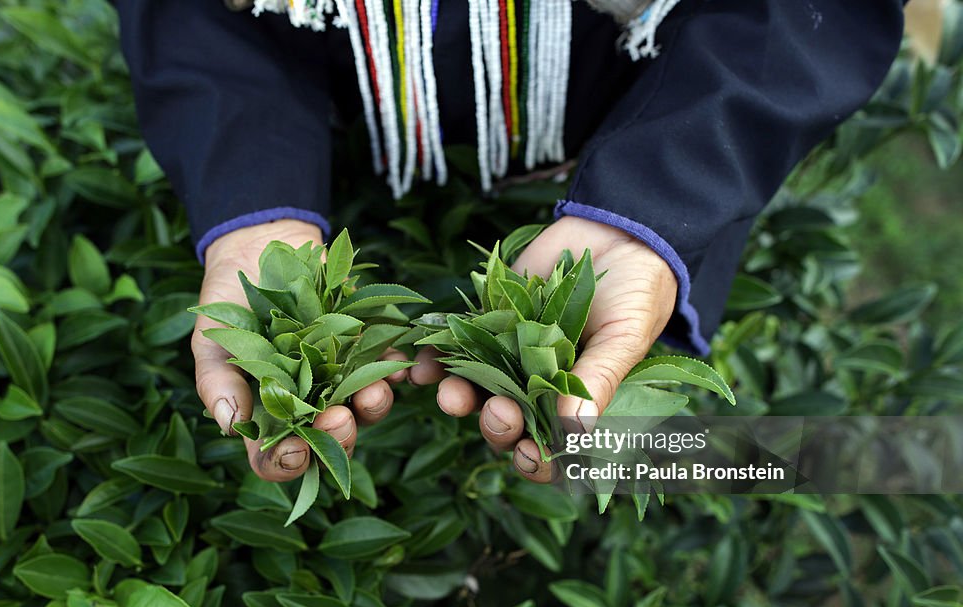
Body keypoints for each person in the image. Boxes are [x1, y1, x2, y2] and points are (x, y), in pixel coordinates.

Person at [115, 0, 904, 484]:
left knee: (604, 448)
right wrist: (252, 204)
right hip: (343, 143)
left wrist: (655, 202)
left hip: (639, 129)